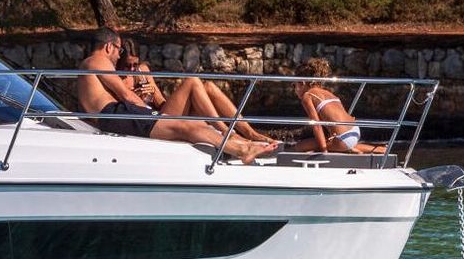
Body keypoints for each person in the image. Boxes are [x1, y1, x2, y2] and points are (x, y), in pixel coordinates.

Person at [76, 30, 277, 162]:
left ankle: (243, 142)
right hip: (116, 114)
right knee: (185, 127)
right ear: (109, 46)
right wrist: (151, 112)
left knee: (191, 124)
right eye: (118, 50)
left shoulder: (90, 67)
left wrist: (152, 108)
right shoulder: (97, 61)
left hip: (117, 114)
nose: (118, 55)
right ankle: (241, 148)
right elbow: (126, 95)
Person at [117, 42, 275, 145]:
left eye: (135, 64)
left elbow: (161, 103)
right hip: (149, 123)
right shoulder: (115, 79)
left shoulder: (142, 71)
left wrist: (151, 95)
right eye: (127, 66)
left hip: (160, 114)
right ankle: (226, 132)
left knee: (209, 86)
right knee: (192, 81)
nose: (132, 69)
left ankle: (249, 132)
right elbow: (120, 111)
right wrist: (137, 99)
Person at [291, 57, 385, 154]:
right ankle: (379, 149)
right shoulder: (327, 93)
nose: (294, 90)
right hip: (354, 131)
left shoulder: (307, 96)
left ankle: (346, 147)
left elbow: (317, 126)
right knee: (335, 142)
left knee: (299, 147)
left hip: (342, 138)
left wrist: (324, 151)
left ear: (302, 83)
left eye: (294, 85)